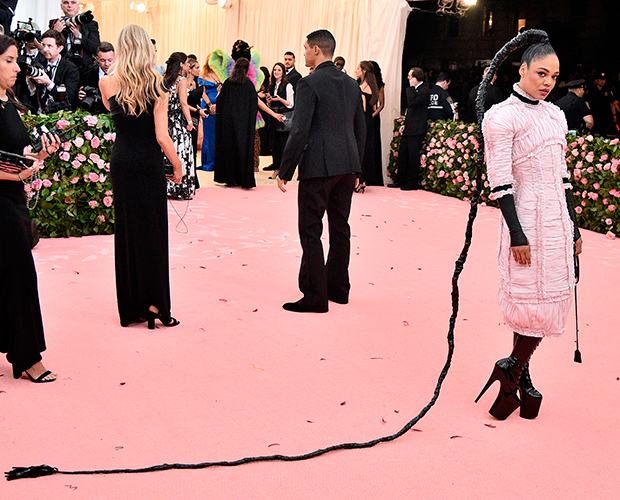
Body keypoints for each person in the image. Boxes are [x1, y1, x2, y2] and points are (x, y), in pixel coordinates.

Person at [477, 42, 583, 420]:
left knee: (546, 299)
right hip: (524, 218)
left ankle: (517, 372)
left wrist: (573, 227)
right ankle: (514, 370)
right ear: (522, 69)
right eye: (541, 74)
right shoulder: (501, 117)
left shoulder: (555, 115)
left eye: (554, 77)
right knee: (530, 301)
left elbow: (564, 178)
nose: (548, 83)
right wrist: (518, 235)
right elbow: (501, 183)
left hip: (556, 219)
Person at [99, 24, 182, 330]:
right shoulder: (158, 85)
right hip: (148, 163)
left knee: (128, 233)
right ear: (147, 48)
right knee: (153, 234)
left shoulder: (107, 83)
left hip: (122, 161)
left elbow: (120, 120)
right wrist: (177, 165)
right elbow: (162, 136)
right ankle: (156, 305)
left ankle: (131, 307)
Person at [277, 29, 365, 313]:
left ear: (316, 49)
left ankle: (315, 296)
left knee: (311, 230)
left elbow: (300, 130)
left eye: (305, 48)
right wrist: (358, 167)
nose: (303, 53)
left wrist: (285, 170)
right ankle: (338, 290)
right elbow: (360, 130)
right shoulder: (352, 85)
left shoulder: (309, 83)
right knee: (340, 228)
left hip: (318, 166)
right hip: (348, 166)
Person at [0, 34, 60, 382]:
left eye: (15, 60)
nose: (17, 66)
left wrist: (37, 155)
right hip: (1, 203)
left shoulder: (8, 102)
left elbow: (16, 153)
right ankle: (26, 356)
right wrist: (15, 172)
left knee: (8, 276)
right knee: (21, 275)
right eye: (8, 60)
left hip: (13, 199)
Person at [214, 57, 258, 188]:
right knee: (243, 150)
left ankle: (230, 178)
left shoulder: (228, 83)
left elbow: (220, 102)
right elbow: (253, 105)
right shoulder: (248, 85)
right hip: (243, 124)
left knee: (228, 149)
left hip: (227, 122)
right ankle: (243, 179)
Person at [163, 51, 196, 200]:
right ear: (182, 64)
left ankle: (168, 187)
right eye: (187, 62)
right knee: (182, 152)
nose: (189, 65)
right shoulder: (181, 81)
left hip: (165, 121)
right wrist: (189, 122)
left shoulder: (165, 79)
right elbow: (183, 103)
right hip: (178, 123)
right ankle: (181, 188)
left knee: (168, 151)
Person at [390, 67, 429, 190]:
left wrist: (411, 88)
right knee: (403, 155)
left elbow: (412, 103)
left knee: (412, 156)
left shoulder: (424, 90)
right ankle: (400, 180)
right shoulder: (418, 90)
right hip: (409, 127)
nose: (408, 78)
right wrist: (405, 125)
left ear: (416, 78)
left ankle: (411, 183)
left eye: (410, 76)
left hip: (417, 129)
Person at [28, 29, 80, 113]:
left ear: (60, 48)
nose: (45, 49)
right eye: (43, 45)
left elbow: (69, 97)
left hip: (61, 115)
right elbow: (32, 95)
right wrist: (31, 86)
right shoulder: (38, 64)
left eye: (49, 46)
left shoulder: (70, 68)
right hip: (38, 113)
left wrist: (49, 84)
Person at [49, 0, 100, 80]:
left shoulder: (90, 24)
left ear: (78, 5)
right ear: (61, 6)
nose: (69, 5)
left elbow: (96, 48)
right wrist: (55, 32)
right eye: (66, 3)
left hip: (85, 71)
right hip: (62, 70)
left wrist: (79, 36)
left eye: (73, 2)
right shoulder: (55, 23)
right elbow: (47, 48)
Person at [355, 60, 380, 191]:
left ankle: (360, 180)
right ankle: (361, 180)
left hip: (362, 121)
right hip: (368, 121)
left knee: (361, 150)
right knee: (365, 149)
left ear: (364, 71)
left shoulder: (363, 87)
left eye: (358, 68)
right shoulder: (372, 86)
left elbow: (362, 108)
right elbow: (374, 106)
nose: (356, 70)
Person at [267, 62, 294, 179]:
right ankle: (276, 168)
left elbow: (291, 104)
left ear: (283, 72)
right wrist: (269, 100)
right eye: (274, 70)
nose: (276, 72)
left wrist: (280, 99)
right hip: (273, 116)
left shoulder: (288, 85)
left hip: (283, 117)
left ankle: (284, 170)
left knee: (284, 144)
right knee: (274, 144)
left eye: (279, 70)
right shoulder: (271, 85)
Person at [77, 41, 115, 114]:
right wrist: (81, 96)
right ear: (97, 59)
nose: (107, 64)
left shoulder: (123, 76)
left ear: (115, 58)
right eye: (103, 60)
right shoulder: (87, 75)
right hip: (94, 115)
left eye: (110, 60)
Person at [197, 54, 221, 171]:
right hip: (208, 106)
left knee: (219, 135)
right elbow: (202, 92)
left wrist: (218, 104)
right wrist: (210, 105)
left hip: (220, 107)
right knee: (209, 135)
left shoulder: (222, 73)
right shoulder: (203, 73)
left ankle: (219, 162)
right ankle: (208, 162)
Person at [185, 56, 206, 159]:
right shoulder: (184, 83)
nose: (199, 70)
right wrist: (197, 110)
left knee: (193, 142)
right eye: (197, 68)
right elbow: (183, 103)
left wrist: (200, 109)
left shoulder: (197, 83)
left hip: (196, 115)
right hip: (186, 115)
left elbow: (195, 101)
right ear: (190, 69)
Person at [371, 60, 385, 186]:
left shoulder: (379, 85)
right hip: (364, 116)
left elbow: (382, 105)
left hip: (373, 118)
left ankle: (375, 178)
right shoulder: (362, 83)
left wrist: (372, 115)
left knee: (374, 144)